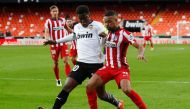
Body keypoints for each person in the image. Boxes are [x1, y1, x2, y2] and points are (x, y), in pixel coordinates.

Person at [44, 5, 124, 109]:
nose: (83, 21)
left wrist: (106, 41)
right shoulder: (77, 27)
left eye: (84, 18)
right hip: (81, 64)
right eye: (80, 19)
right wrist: (55, 41)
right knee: (66, 87)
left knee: (101, 95)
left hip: (96, 65)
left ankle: (118, 104)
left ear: (89, 15)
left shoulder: (97, 25)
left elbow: (107, 38)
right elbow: (73, 36)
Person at [86, 10, 147, 109]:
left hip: (121, 68)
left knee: (126, 90)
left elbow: (140, 45)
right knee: (89, 86)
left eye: (109, 21)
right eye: (105, 22)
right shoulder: (106, 33)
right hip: (107, 68)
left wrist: (140, 53)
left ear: (116, 20)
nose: (107, 24)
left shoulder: (124, 33)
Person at [44, 5, 71, 86]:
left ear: (58, 11)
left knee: (66, 61)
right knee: (56, 63)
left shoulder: (63, 20)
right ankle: (58, 79)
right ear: (50, 12)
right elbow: (47, 32)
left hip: (63, 43)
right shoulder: (48, 21)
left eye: (56, 11)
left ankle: (69, 80)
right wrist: (47, 39)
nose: (55, 12)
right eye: (53, 11)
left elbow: (68, 28)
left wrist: (75, 32)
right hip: (54, 45)